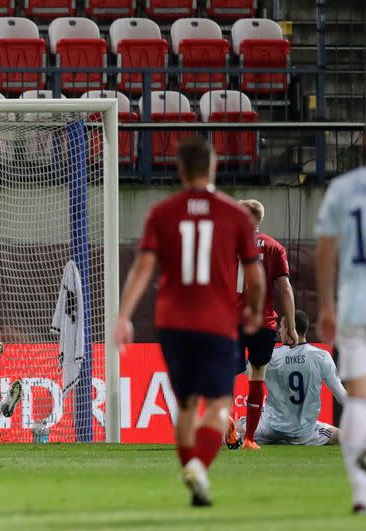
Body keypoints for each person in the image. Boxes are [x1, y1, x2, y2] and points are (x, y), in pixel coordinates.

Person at [113, 137, 265, 507]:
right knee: (218, 405)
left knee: (185, 405)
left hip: (172, 323)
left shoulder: (162, 213)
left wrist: (123, 315)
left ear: (179, 170)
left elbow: (143, 267)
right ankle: (198, 465)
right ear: (213, 167)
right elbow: (256, 276)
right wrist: (255, 310)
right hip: (216, 321)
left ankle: (193, 477)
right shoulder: (234, 215)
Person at [316, 107, 366, 514]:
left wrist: (327, 305)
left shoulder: (343, 189)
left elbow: (326, 251)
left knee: (359, 404)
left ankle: (363, 497)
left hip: (354, 307)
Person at [228, 311, 366, 448]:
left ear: (289, 329)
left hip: (269, 428)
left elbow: (248, 371)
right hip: (304, 432)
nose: (279, 331)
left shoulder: (272, 356)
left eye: (281, 327)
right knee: (341, 437)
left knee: (236, 428)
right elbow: (341, 394)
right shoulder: (321, 357)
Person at [235, 199, 297, 450]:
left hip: (232, 320)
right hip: (264, 322)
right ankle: (249, 438)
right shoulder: (274, 247)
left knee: (225, 374)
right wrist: (291, 326)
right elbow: (285, 287)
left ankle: (227, 426)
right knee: (257, 375)